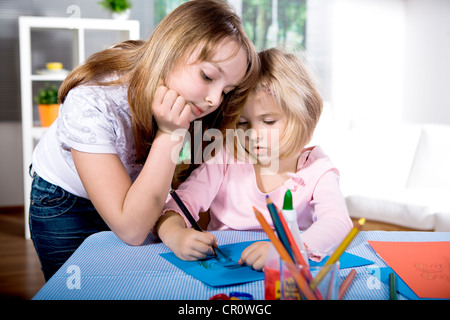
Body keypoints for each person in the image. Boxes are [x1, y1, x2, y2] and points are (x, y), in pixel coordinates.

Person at [29, 0, 259, 281]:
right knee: (75, 287)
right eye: (208, 76)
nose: (214, 99)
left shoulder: (192, 100)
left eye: (227, 90)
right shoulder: (92, 102)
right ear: (171, 50)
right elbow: (132, 230)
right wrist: (171, 133)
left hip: (135, 192)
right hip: (67, 200)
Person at [156, 48, 353, 270]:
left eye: (268, 122)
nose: (253, 134)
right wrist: (176, 236)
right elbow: (175, 207)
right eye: (242, 123)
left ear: (304, 119)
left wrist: (288, 250)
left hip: (288, 276)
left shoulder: (317, 169)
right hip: (227, 271)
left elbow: (337, 222)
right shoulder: (226, 158)